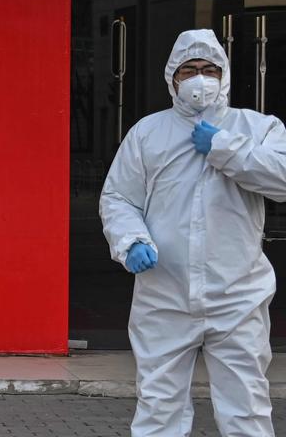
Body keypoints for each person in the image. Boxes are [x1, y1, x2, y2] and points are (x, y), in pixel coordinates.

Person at [100, 28, 286, 436]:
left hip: (238, 294)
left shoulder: (257, 128)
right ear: (173, 78)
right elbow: (118, 198)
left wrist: (224, 147)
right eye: (189, 69)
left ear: (224, 75)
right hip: (164, 292)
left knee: (246, 409)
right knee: (158, 407)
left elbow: (282, 180)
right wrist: (131, 240)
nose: (200, 78)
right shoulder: (148, 133)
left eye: (209, 69)